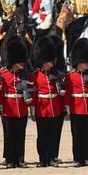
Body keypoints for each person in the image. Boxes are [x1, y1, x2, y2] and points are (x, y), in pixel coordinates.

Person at [29, 36, 64, 167]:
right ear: (42, 61)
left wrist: (62, 108)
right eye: (48, 61)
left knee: (54, 135)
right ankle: (43, 158)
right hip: (41, 109)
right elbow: (32, 93)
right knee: (42, 135)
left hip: (54, 108)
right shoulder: (34, 76)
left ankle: (53, 157)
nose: (51, 63)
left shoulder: (57, 75)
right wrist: (32, 110)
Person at [65, 38, 88, 167]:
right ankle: (78, 158)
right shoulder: (70, 76)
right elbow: (68, 95)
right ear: (79, 62)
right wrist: (68, 111)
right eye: (86, 62)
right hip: (76, 108)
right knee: (77, 135)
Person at [0, 36, 30, 168]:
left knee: (20, 134)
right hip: (9, 107)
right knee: (9, 134)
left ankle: (20, 158)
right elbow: (0, 93)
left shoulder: (24, 74)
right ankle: (10, 159)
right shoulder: (4, 74)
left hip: (21, 107)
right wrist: (1, 107)